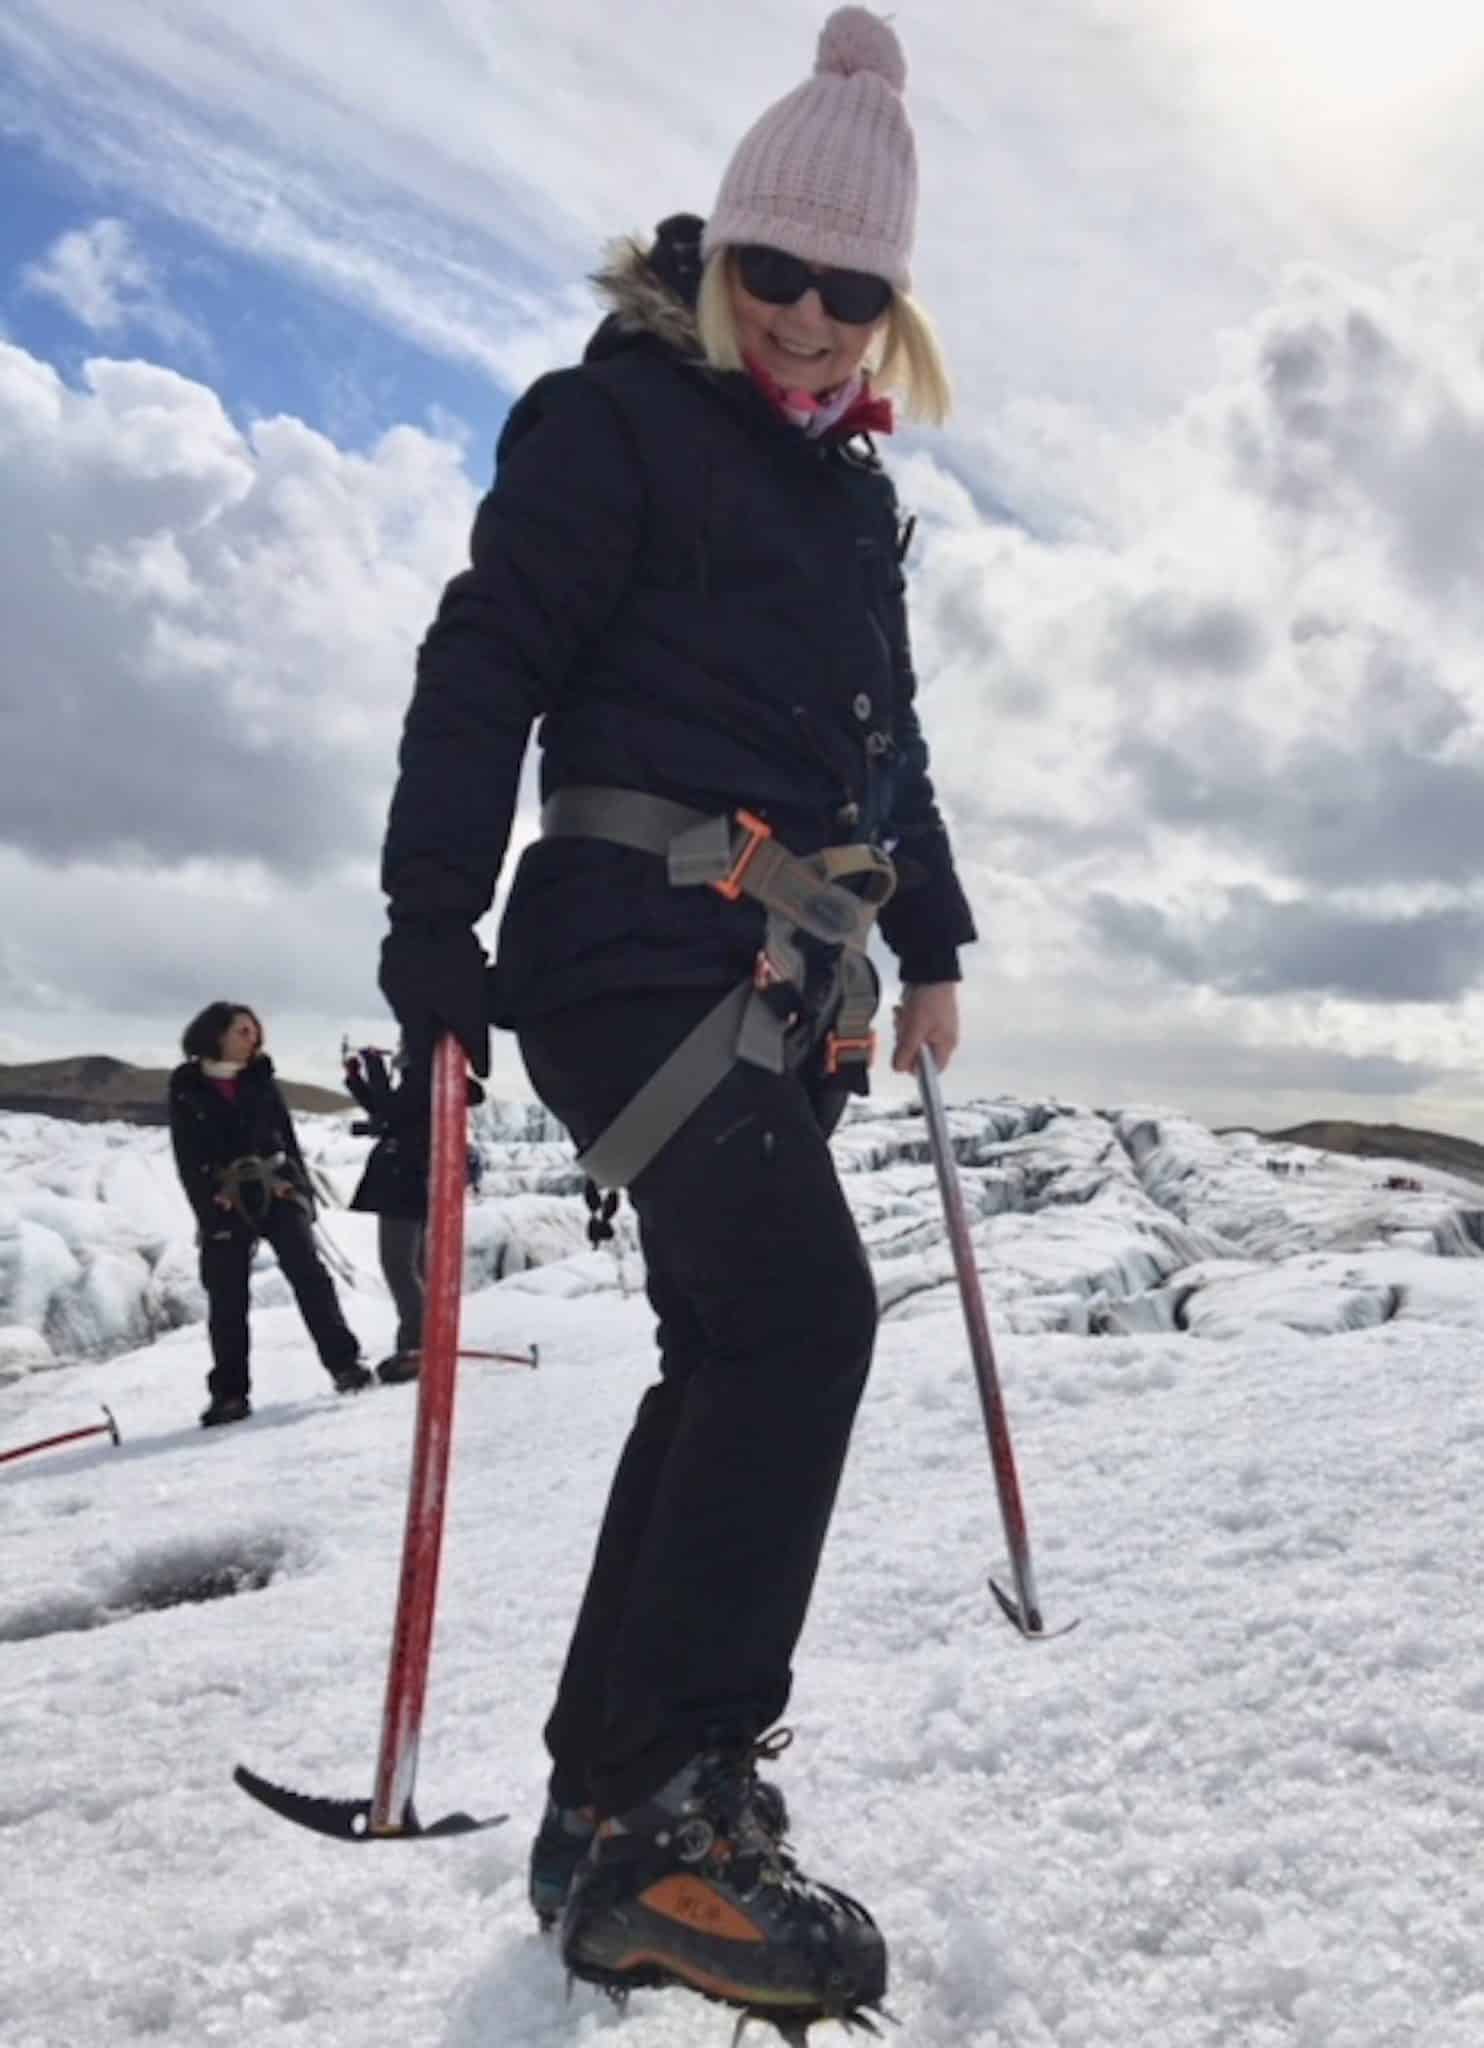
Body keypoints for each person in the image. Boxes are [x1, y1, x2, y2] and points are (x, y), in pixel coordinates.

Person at [378, 8, 974, 2031]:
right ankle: (672, 1806)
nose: (810, 317)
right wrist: (423, 916)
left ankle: (599, 1802)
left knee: (731, 1339)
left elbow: (894, 759)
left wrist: (941, 945)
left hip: (778, 981)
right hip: (617, 952)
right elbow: (488, 659)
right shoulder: (611, 422)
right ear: (720, 256)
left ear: (893, 306)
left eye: (854, 288)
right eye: (779, 269)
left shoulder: (851, 507)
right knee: (800, 1317)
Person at [169, 1003, 370, 1426]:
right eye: (243, 1031)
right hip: (223, 1198)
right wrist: (208, 1206)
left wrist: (300, 1191)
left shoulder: (261, 1078)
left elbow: (287, 1136)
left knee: (310, 1277)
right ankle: (230, 1394)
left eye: (255, 1032)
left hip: (277, 1188)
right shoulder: (186, 1085)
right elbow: (186, 1153)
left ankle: (345, 1365)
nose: (253, 1039)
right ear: (217, 1034)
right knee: (227, 1297)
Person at [343, 1041, 487, 1384]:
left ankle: (416, 1346)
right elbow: (388, 1112)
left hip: (402, 1181)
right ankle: (428, 1339)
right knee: (419, 1265)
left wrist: (371, 1070)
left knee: (399, 1266)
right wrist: (358, 1080)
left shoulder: (424, 1078)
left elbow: (391, 1111)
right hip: (421, 1180)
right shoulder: (437, 1081)